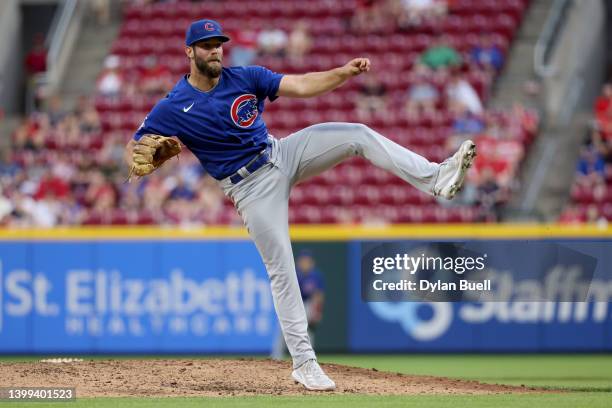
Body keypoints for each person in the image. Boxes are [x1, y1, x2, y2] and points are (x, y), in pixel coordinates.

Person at [124, 19, 476, 391]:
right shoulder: (174, 104)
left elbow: (301, 84)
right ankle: (304, 363)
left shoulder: (245, 77)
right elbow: (134, 148)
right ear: (189, 52)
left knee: (357, 134)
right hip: (250, 188)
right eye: (206, 44)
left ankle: (436, 178)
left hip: (282, 153)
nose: (215, 50)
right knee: (283, 270)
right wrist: (143, 156)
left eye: (218, 44)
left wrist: (341, 73)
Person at [271, 249, 326, 360]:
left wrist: (317, 312)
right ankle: (276, 358)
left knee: (306, 332)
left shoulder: (316, 276)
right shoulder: (294, 274)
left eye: (307, 261)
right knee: (283, 329)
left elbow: (318, 296)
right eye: (302, 261)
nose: (304, 263)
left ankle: (309, 358)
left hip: (307, 304)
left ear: (311, 263)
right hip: (293, 304)